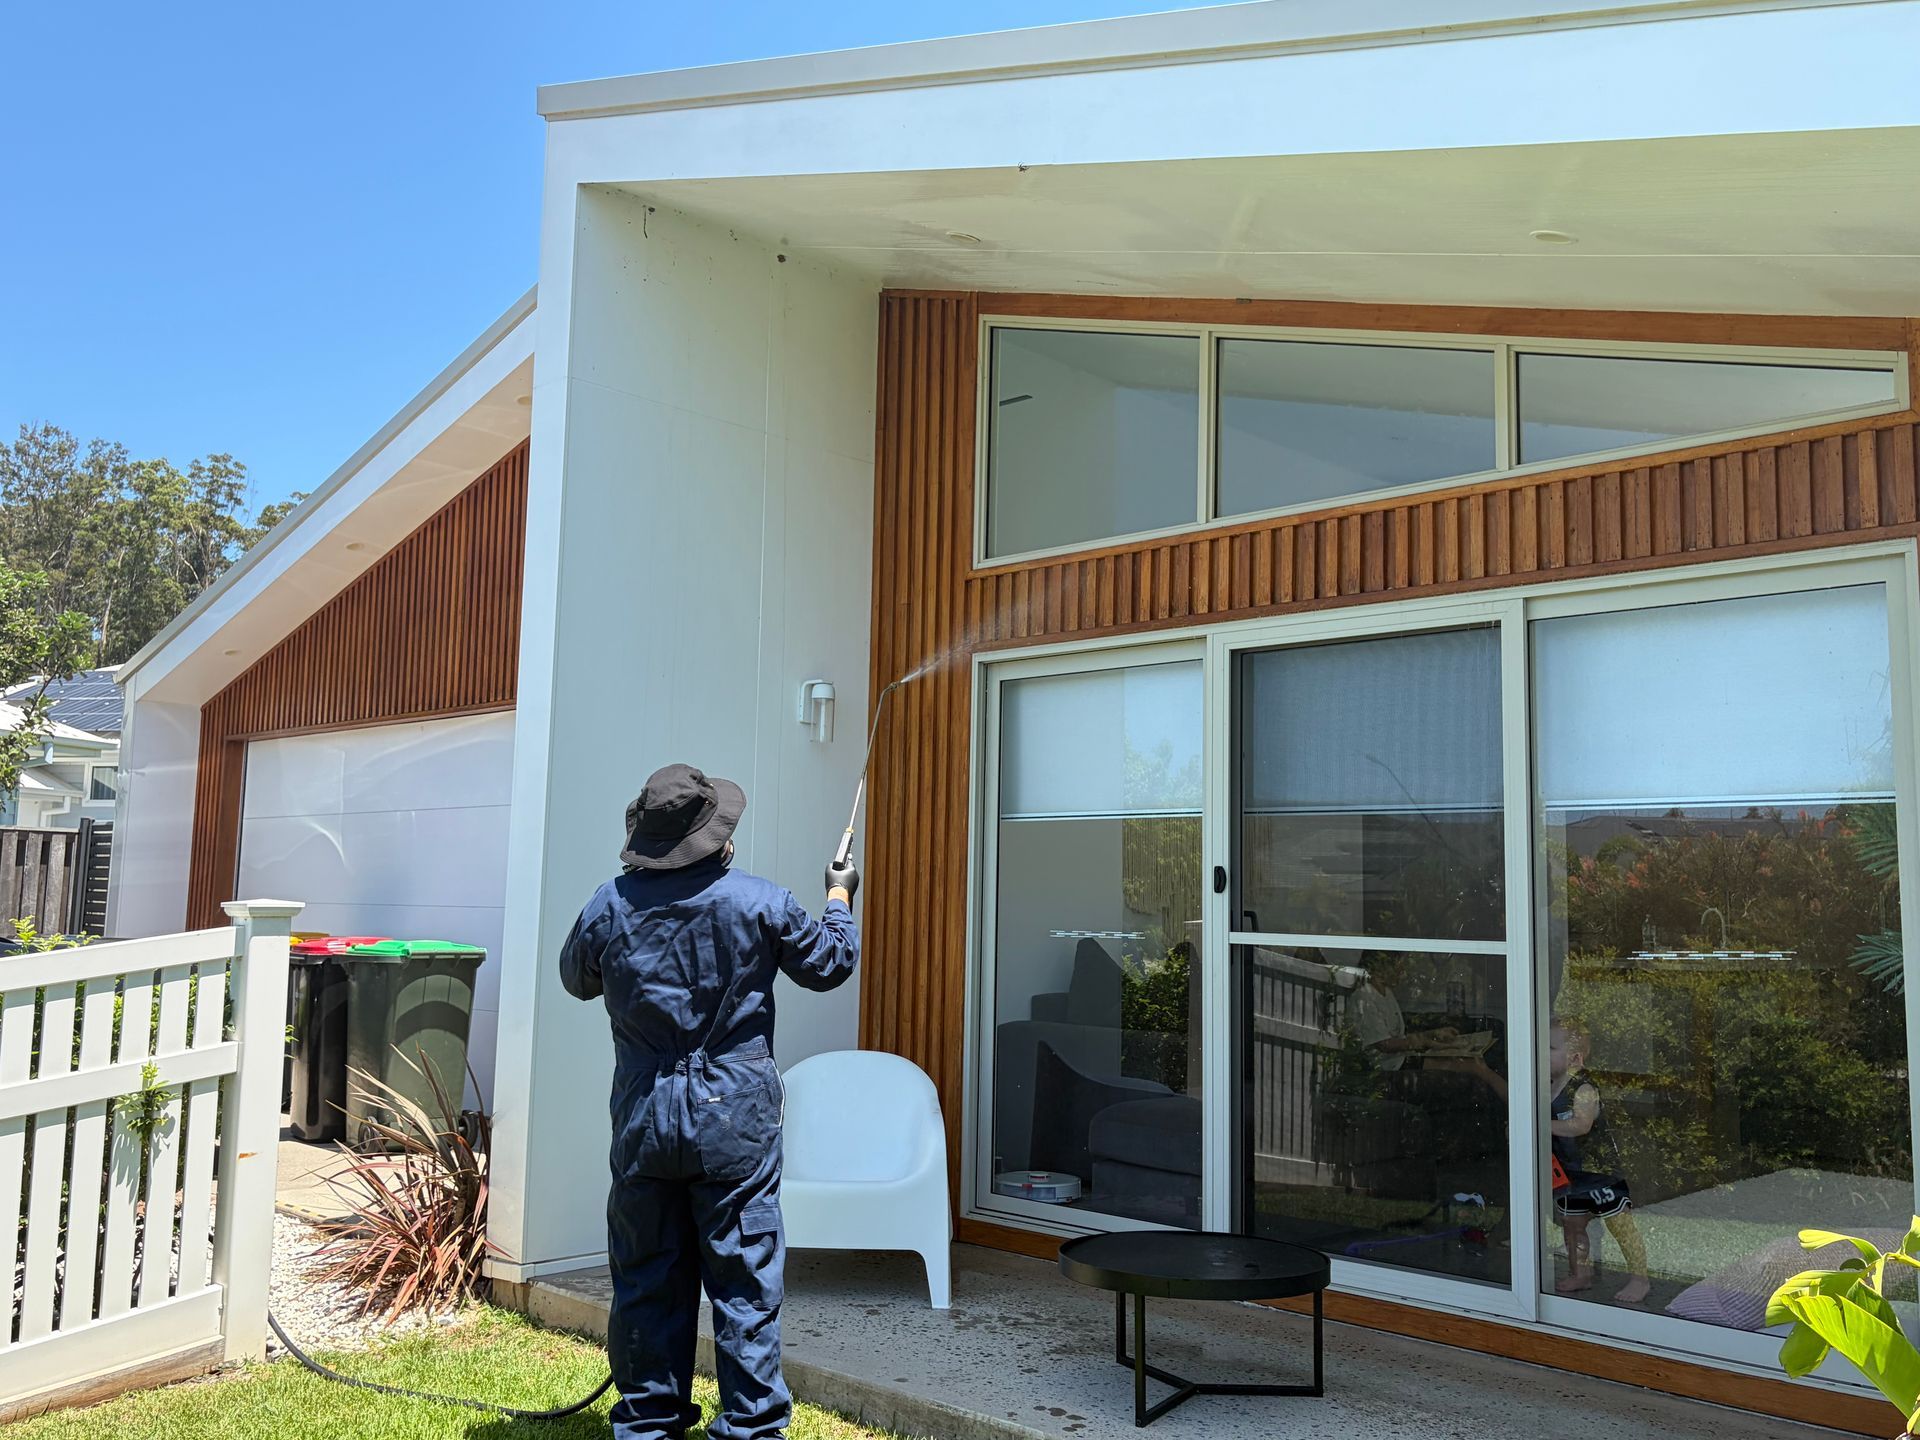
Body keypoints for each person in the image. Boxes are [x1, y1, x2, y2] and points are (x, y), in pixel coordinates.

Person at [559, 763, 860, 1440]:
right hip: (735, 1120)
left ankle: (646, 1425)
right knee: (744, 1286)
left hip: (643, 1120)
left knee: (645, 1281)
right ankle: (752, 1431)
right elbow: (829, 963)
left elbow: (576, 978)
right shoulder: (761, 901)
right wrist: (838, 897)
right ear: (718, 838)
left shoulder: (610, 903)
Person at [1550, 1019, 1651, 1305]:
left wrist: (1540, 1124)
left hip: (1601, 1172)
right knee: (1572, 1224)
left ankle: (1640, 1277)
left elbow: (1581, 1125)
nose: (1540, 1053)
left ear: (1575, 1058)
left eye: (1549, 1047)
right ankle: (1580, 1272)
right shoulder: (1545, 1087)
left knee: (1620, 1224)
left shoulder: (1583, 1088)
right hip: (1570, 1174)